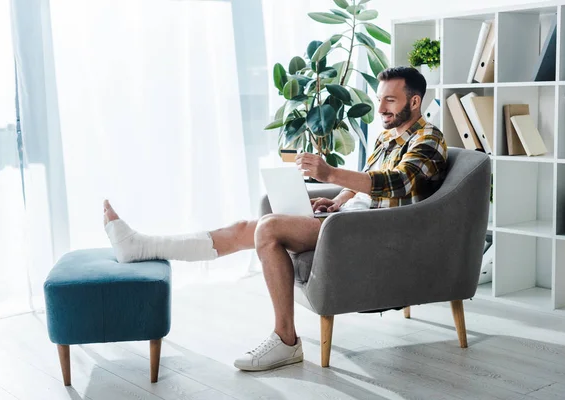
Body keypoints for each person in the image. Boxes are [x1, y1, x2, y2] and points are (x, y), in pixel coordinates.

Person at [102, 66, 448, 372]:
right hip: (351, 220)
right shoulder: (388, 136)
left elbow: (399, 183)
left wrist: (330, 174)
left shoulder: (429, 138)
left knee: (268, 228)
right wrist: (337, 199)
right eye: (380, 99)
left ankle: (286, 340)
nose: (381, 108)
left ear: (414, 102)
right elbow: (369, 183)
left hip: (376, 233)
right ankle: (142, 246)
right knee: (246, 228)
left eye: (390, 100)